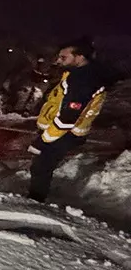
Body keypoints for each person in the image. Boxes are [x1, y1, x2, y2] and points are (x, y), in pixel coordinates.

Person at [28, 39, 108, 202]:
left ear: (79, 57)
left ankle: (34, 203)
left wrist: (43, 140)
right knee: (41, 166)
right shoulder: (78, 73)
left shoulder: (83, 80)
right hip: (60, 130)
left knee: (41, 166)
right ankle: (35, 198)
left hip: (65, 132)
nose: (58, 61)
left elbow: (67, 118)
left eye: (63, 57)